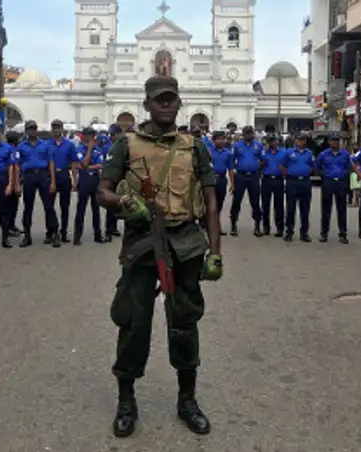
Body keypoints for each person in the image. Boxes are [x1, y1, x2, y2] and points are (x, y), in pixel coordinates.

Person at [96, 75, 222, 438]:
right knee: (134, 322)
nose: (166, 105)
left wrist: (216, 252)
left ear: (179, 104)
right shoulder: (126, 144)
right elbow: (102, 192)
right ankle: (126, 401)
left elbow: (211, 202)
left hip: (185, 243)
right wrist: (124, 202)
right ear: (147, 104)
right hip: (141, 244)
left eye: (171, 99)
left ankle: (187, 400)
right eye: (158, 100)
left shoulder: (194, 146)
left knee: (184, 322)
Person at [15, 120, 60, 248]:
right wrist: (17, 183)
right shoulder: (21, 146)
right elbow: (17, 165)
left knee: (49, 206)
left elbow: (51, 163)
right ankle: (27, 235)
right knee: (28, 207)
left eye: (34, 128)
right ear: (26, 131)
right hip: (28, 176)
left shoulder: (45, 145)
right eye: (30, 129)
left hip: (43, 175)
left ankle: (55, 233)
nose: (32, 131)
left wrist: (52, 181)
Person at [71, 127, 106, 244]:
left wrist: (88, 167)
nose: (90, 137)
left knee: (96, 209)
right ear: (84, 136)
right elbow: (82, 163)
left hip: (95, 180)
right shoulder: (79, 149)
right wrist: (90, 150)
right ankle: (77, 236)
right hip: (84, 180)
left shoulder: (98, 150)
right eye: (88, 135)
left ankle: (98, 234)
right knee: (81, 208)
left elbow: (100, 165)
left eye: (92, 135)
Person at [316, 133, 352, 243]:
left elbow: (349, 167)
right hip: (328, 182)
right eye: (333, 140)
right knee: (326, 209)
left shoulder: (345, 154)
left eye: (337, 140)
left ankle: (343, 234)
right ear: (329, 142)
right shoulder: (323, 154)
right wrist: (325, 175)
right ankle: (324, 233)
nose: (335, 142)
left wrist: (344, 175)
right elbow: (318, 167)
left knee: (342, 209)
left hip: (341, 182)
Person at [229, 125, 263, 236]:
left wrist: (257, 170)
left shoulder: (258, 145)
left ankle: (257, 226)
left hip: (253, 176)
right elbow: (232, 161)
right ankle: (233, 225)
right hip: (241, 176)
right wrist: (235, 174)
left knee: (255, 202)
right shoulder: (237, 146)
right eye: (247, 133)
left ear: (253, 134)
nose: (249, 135)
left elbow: (263, 160)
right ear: (243, 134)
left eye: (251, 133)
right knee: (236, 201)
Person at [281, 133, 316, 242]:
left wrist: (304, 172)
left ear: (305, 141)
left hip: (305, 182)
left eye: (303, 140)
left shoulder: (309, 153)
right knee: (291, 208)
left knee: (305, 209)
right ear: (295, 141)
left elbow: (312, 166)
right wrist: (289, 175)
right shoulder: (289, 152)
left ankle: (304, 233)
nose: (301, 142)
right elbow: (282, 166)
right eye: (299, 140)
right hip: (292, 182)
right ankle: (289, 232)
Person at [47, 119, 75, 243]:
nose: (56, 130)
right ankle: (51, 231)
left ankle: (63, 232)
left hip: (64, 174)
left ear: (62, 129)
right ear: (51, 130)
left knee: (65, 206)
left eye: (58, 127)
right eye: (54, 128)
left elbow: (74, 162)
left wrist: (74, 179)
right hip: (50, 176)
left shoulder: (69, 144)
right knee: (49, 205)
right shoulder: (47, 144)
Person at [208, 130, 234, 234]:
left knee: (219, 204)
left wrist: (232, 184)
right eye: (219, 139)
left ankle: (217, 226)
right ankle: (209, 226)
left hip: (222, 180)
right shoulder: (208, 151)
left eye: (223, 139)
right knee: (210, 204)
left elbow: (231, 169)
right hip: (210, 179)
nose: (221, 141)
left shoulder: (228, 153)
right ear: (214, 140)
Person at [260, 134, 286, 236]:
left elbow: (287, 165)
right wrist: (262, 163)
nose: (272, 143)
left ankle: (280, 228)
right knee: (265, 205)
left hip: (278, 180)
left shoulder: (283, 153)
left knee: (278, 205)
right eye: (269, 141)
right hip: (266, 179)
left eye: (273, 141)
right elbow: (259, 166)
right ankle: (266, 228)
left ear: (277, 141)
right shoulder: (263, 152)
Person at [103, 124, 123, 240]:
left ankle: (114, 227)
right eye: (110, 134)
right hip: (110, 178)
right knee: (110, 204)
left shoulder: (122, 146)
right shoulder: (107, 147)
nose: (111, 137)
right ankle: (108, 229)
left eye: (113, 134)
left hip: (120, 179)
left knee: (118, 204)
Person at [5, 130, 23, 239]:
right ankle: (8, 227)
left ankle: (12, 225)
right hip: (10, 181)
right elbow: (15, 167)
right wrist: (16, 184)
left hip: (13, 180)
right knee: (9, 206)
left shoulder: (12, 149)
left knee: (14, 205)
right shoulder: (11, 150)